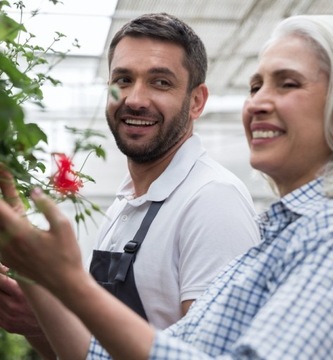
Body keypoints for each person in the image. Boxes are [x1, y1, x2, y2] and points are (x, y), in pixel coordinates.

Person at [0, 12, 260, 359]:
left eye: (160, 82)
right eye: (123, 79)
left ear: (196, 101)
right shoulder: (125, 204)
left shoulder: (211, 201)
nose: (135, 99)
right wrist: (40, 319)